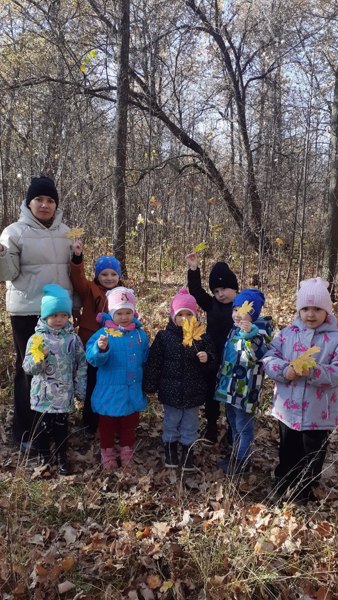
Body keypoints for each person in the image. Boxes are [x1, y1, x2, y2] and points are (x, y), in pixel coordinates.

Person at [0, 176, 76, 450]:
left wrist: (74, 305)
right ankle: (24, 432)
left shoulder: (67, 233)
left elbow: (72, 273)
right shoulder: (13, 233)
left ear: (56, 204)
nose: (45, 205)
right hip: (28, 312)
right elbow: (7, 274)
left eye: (50, 200)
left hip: (59, 314)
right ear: (29, 203)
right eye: (39, 200)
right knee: (30, 369)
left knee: (57, 371)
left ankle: (52, 428)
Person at [263, 277, 338, 504]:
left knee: (312, 456)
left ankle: (303, 492)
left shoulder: (334, 338)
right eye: (305, 308)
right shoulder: (287, 333)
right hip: (287, 410)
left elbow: (336, 372)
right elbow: (268, 357)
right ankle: (283, 482)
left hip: (318, 414)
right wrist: (284, 370)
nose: (311, 314)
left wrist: (314, 372)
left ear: (327, 310)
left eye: (317, 309)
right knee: (288, 451)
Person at [143, 288, 217, 471]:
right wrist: (150, 385)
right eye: (180, 314)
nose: (185, 318)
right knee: (171, 422)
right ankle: (170, 450)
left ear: (196, 316)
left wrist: (207, 359)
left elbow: (213, 364)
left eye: (189, 314)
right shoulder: (164, 337)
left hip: (194, 392)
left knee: (190, 424)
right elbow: (154, 362)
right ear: (172, 316)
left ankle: (188, 452)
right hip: (171, 392)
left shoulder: (202, 337)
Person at [22, 284, 87, 476]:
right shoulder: (36, 339)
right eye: (54, 315)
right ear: (45, 316)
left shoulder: (73, 340)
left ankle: (61, 457)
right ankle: (43, 457)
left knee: (60, 427)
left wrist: (80, 389)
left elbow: (81, 364)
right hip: (42, 394)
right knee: (42, 427)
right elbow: (28, 368)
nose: (59, 320)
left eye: (63, 315)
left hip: (64, 394)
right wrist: (38, 359)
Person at [85, 287, 149, 471]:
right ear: (111, 313)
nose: (124, 317)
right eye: (119, 313)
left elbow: (145, 358)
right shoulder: (103, 335)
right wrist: (101, 348)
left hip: (132, 390)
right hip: (110, 391)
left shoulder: (139, 335)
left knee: (129, 425)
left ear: (133, 312)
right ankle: (107, 452)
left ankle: (126, 451)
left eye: (128, 312)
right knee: (107, 426)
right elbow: (93, 359)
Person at [215, 289, 270, 475]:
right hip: (230, 387)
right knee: (233, 423)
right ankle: (236, 455)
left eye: (242, 309)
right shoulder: (234, 329)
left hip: (246, 390)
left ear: (253, 313)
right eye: (234, 309)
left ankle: (242, 462)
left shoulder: (260, 330)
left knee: (243, 426)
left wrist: (251, 334)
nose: (237, 314)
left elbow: (260, 354)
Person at [70, 238, 123, 433]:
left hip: (115, 344)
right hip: (91, 342)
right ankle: (90, 421)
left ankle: (110, 419)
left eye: (113, 274)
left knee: (109, 381)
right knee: (92, 381)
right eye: (104, 274)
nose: (109, 278)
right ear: (97, 276)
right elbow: (78, 279)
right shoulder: (90, 289)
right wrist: (77, 257)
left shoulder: (123, 293)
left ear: (119, 275)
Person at [186, 253, 239, 444]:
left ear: (234, 288)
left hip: (235, 357)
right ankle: (211, 426)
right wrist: (193, 269)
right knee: (212, 393)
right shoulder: (211, 304)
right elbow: (196, 290)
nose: (220, 294)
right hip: (214, 356)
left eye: (224, 289)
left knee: (233, 395)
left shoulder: (241, 306)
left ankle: (234, 431)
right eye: (216, 291)